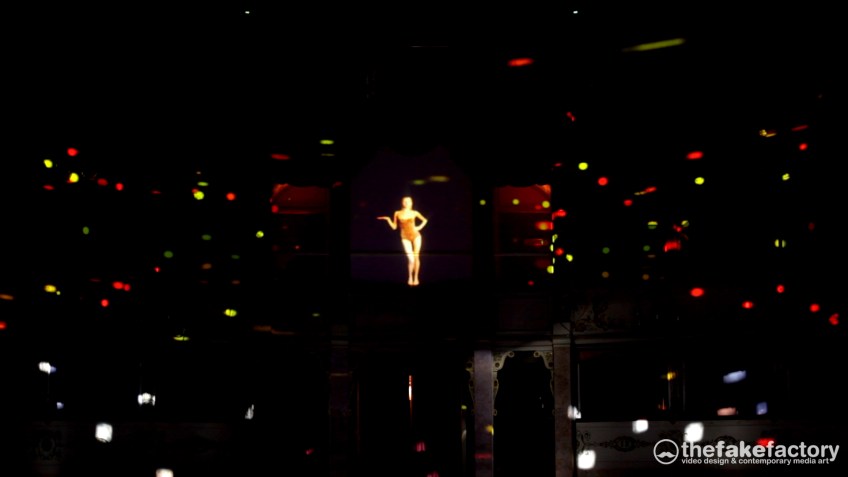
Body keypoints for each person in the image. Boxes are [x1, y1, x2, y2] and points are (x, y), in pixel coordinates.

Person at [377, 196, 428, 286]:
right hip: (405, 237)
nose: (407, 203)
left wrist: (419, 227)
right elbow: (394, 227)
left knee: (416, 257)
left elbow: (425, 220)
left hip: (416, 236)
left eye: (409, 201)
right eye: (405, 201)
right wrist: (388, 219)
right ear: (402, 203)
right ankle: (410, 276)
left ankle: (416, 277)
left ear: (411, 203)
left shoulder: (414, 212)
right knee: (411, 258)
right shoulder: (397, 213)